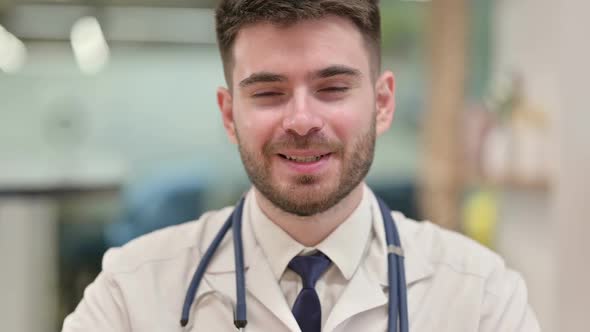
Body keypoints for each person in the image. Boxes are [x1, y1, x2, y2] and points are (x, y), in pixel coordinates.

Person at [62, 1, 541, 331]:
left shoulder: (481, 297)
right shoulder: (131, 293)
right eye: (269, 93)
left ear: (382, 103)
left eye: (332, 88)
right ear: (230, 115)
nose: (302, 121)